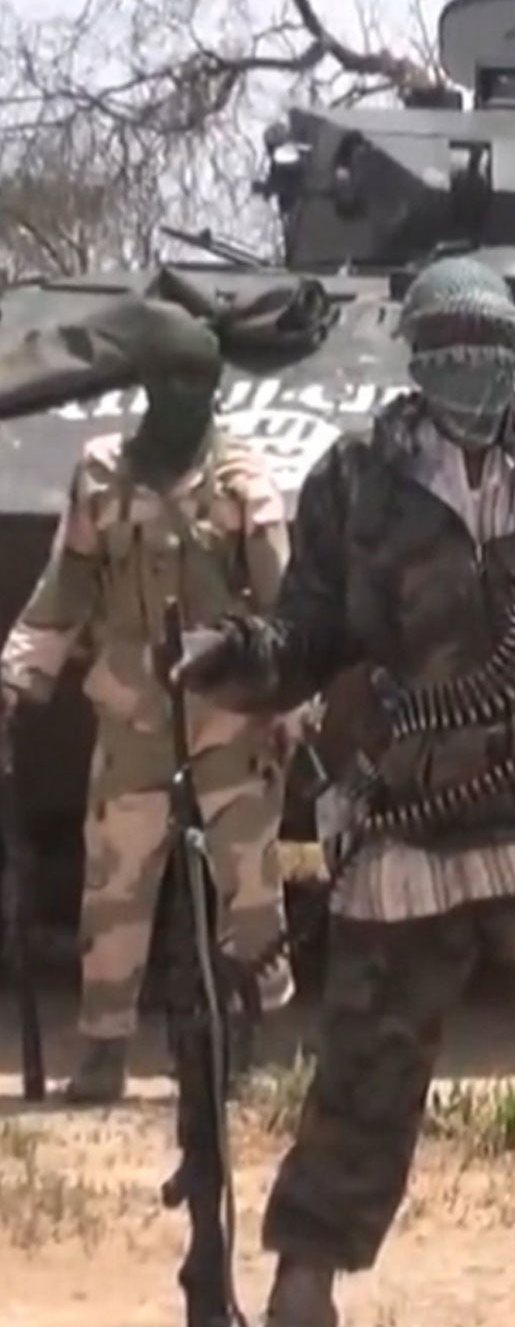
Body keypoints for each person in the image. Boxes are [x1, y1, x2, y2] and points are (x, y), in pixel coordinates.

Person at [171, 256, 515, 1327]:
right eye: (445, 351)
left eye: (488, 349)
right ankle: (306, 1283)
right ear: (413, 361)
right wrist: (241, 663)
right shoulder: (353, 478)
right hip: (405, 824)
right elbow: (312, 633)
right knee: (364, 1074)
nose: (468, 370)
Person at [0, 295, 295, 1105]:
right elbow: (63, 589)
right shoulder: (101, 472)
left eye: (199, 383)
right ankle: (103, 1046)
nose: (185, 399)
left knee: (251, 882)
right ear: (148, 387)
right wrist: (19, 676)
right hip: (130, 710)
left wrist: (294, 708)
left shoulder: (243, 479)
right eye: (170, 382)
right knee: (117, 879)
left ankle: (260, 1036)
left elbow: (286, 606)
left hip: (230, 710)